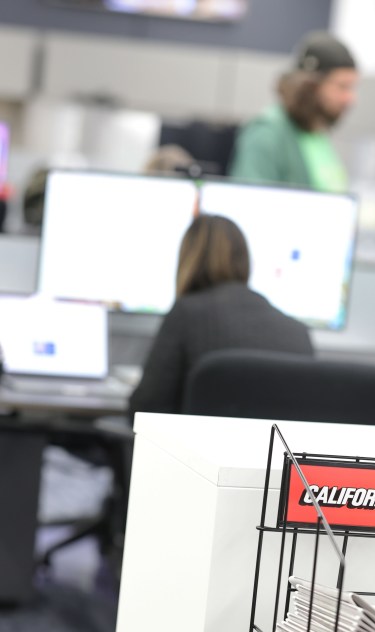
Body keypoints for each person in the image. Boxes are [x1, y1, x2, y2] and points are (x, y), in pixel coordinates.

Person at [128, 214, 313, 416]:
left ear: (189, 260)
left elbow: (146, 407)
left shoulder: (187, 313)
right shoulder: (298, 331)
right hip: (273, 447)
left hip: (194, 446)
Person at [229, 31, 358, 191]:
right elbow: (250, 201)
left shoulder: (317, 133)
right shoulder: (267, 134)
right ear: (311, 85)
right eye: (342, 87)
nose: (350, 98)